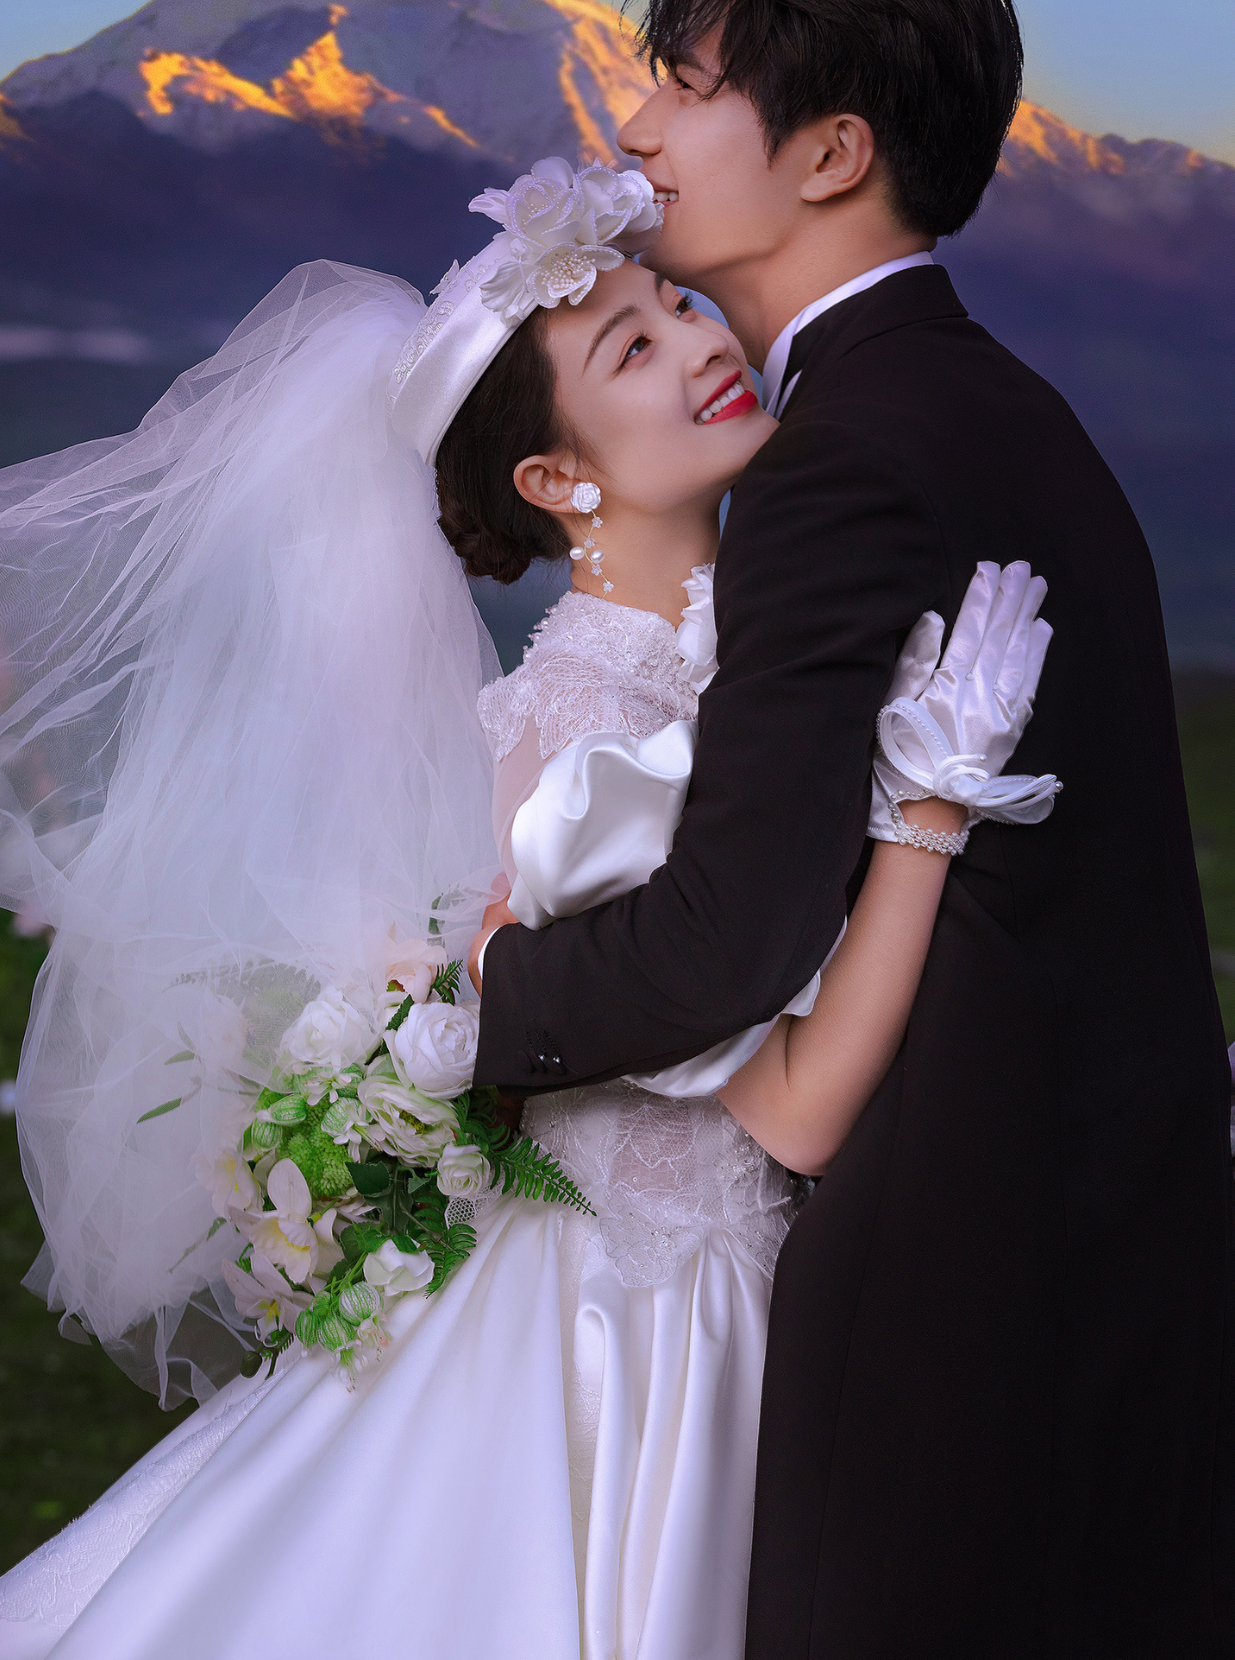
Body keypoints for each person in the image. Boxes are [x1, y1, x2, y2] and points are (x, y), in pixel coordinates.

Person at [0, 166, 1057, 1658]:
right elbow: (799, 1111)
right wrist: (927, 812)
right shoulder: (581, 751)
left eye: (677, 303)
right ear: (557, 482)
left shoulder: (744, 671)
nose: (703, 342)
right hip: (640, 1326)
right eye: (634, 346)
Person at [468, 3, 1235, 1656]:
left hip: (952, 1266)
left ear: (829, 152)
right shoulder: (989, 401)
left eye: (686, 87)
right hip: (1104, 1238)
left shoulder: (842, 459)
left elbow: (726, 939)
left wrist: (481, 1000)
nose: (638, 131)